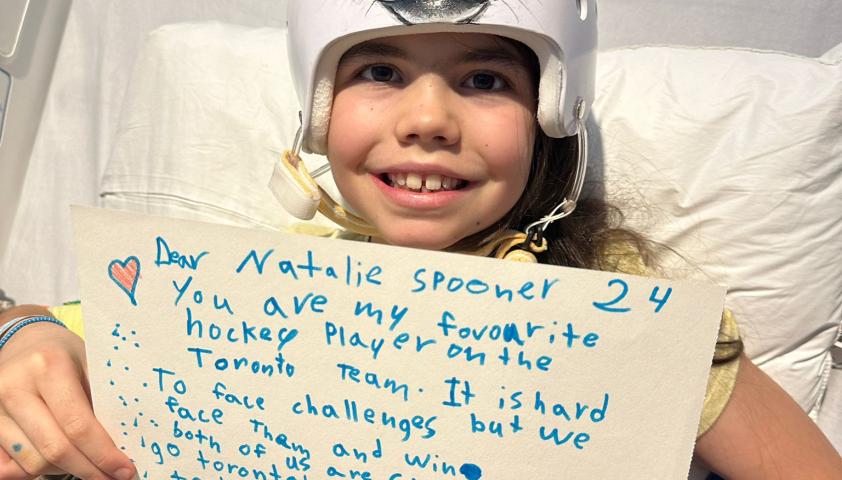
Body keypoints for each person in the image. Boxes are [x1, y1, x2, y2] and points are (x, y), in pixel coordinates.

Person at [1, 1, 841, 479]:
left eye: (483, 79)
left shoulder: (634, 317)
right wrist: (23, 333)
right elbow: (60, 333)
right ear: (320, 112)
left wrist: (677, 355)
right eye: (380, 72)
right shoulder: (260, 290)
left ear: (551, 116)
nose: (429, 120)